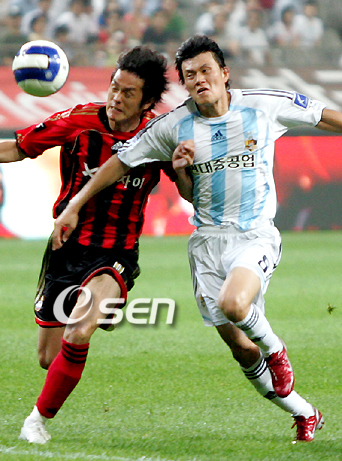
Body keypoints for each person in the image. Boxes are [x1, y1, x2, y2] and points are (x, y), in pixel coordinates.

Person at [50, 35, 342, 442]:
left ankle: (277, 351)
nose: (199, 79)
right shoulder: (174, 126)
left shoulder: (263, 106)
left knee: (234, 304)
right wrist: (76, 204)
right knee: (242, 349)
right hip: (206, 244)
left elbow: (325, 116)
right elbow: (121, 162)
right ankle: (305, 412)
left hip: (254, 235)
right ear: (185, 84)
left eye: (206, 70)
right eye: (190, 75)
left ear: (224, 73)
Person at [0, 45, 171, 443]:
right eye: (114, 87)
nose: (116, 98)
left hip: (115, 251)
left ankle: (36, 421)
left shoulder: (160, 134)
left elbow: (186, 187)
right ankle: (94, 313)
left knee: (79, 329)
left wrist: (185, 166)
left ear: (148, 100)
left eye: (128, 93)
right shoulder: (78, 121)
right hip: (66, 248)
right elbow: (19, 147)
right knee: (48, 358)